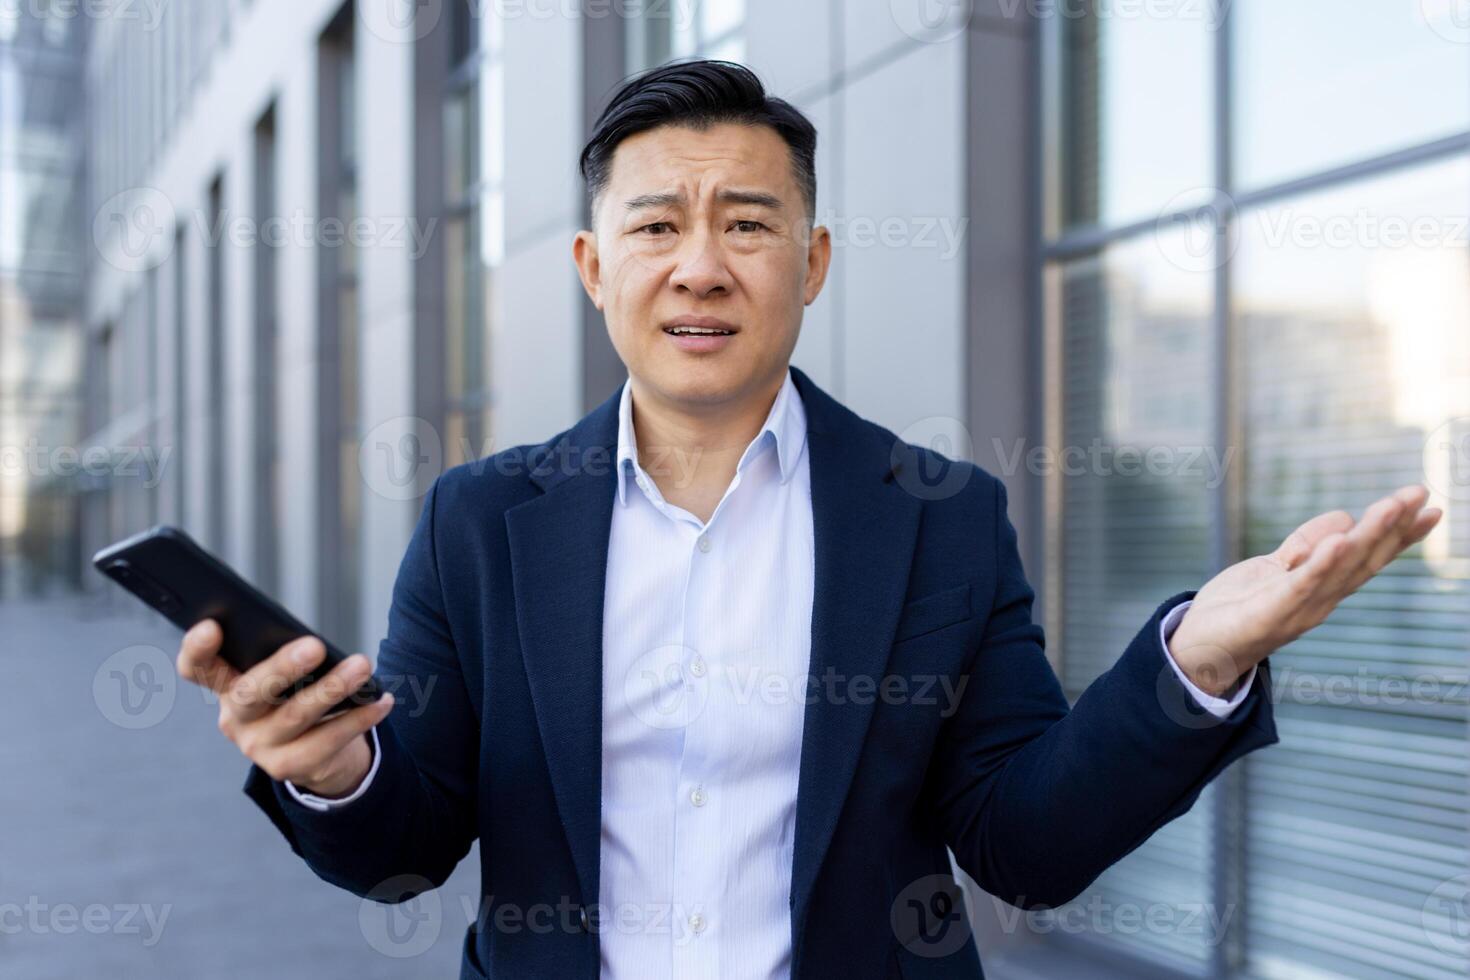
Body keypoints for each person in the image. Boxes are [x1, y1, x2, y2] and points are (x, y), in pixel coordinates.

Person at [175, 60, 1442, 980]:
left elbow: (1025, 841)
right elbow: (407, 842)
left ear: (815, 259)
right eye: (657, 224)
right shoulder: (484, 518)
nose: (701, 264)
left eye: (748, 223)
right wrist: (334, 767)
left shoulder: (938, 516)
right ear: (591, 266)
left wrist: (1192, 663)